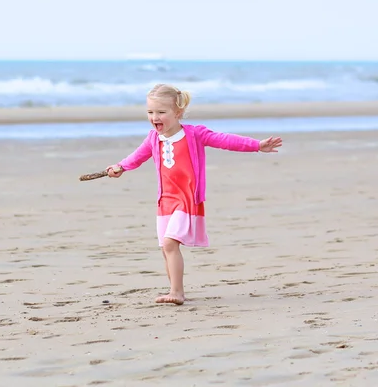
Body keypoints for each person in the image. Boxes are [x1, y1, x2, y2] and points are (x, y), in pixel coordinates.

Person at [106, 83, 282, 305]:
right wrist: (120, 167)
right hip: (165, 200)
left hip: (186, 198)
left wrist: (256, 145)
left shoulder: (194, 134)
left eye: (161, 112)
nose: (154, 117)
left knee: (170, 244)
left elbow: (225, 140)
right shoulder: (153, 138)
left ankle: (177, 292)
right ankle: (175, 289)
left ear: (177, 112)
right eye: (150, 112)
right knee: (165, 248)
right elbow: (136, 157)